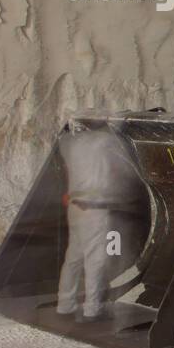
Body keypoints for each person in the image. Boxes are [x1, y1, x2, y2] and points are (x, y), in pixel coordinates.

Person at [56, 120, 143, 321]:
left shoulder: (72, 142)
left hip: (75, 206)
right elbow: (126, 165)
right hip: (95, 209)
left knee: (74, 258)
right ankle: (92, 309)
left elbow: (65, 139)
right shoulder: (104, 141)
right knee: (95, 260)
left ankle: (65, 304)